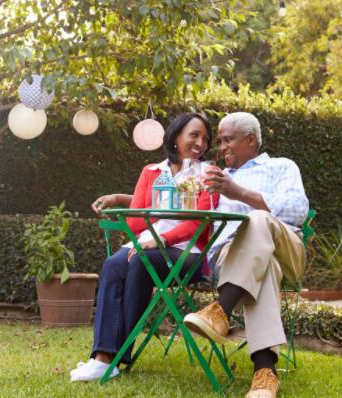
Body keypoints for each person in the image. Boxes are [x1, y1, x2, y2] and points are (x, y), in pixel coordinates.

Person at [70, 112, 219, 382]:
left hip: (190, 253)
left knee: (142, 261)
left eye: (205, 138)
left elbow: (198, 223)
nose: (201, 143)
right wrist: (160, 210)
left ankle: (115, 357)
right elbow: (136, 220)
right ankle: (103, 357)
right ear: (175, 138)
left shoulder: (209, 174)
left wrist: (162, 238)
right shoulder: (151, 172)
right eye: (194, 135)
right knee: (114, 264)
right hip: (145, 243)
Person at [183, 112, 309, 398]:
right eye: (221, 141)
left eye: (229, 140)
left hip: (285, 247)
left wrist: (239, 193)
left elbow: (296, 212)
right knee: (264, 268)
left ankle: (221, 310)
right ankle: (265, 373)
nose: (222, 147)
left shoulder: (281, 166)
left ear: (250, 139)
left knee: (259, 219)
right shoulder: (217, 178)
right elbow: (192, 211)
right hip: (233, 257)